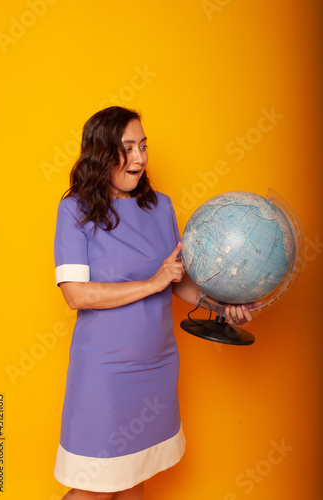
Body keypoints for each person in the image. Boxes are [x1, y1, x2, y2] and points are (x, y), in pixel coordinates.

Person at [53, 106, 253, 500]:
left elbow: (177, 283)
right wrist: (151, 283)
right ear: (100, 151)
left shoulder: (159, 206)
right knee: (97, 487)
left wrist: (221, 306)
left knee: (134, 476)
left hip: (157, 364)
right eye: (127, 147)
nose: (140, 158)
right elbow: (76, 294)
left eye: (143, 146)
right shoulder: (74, 210)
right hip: (106, 372)